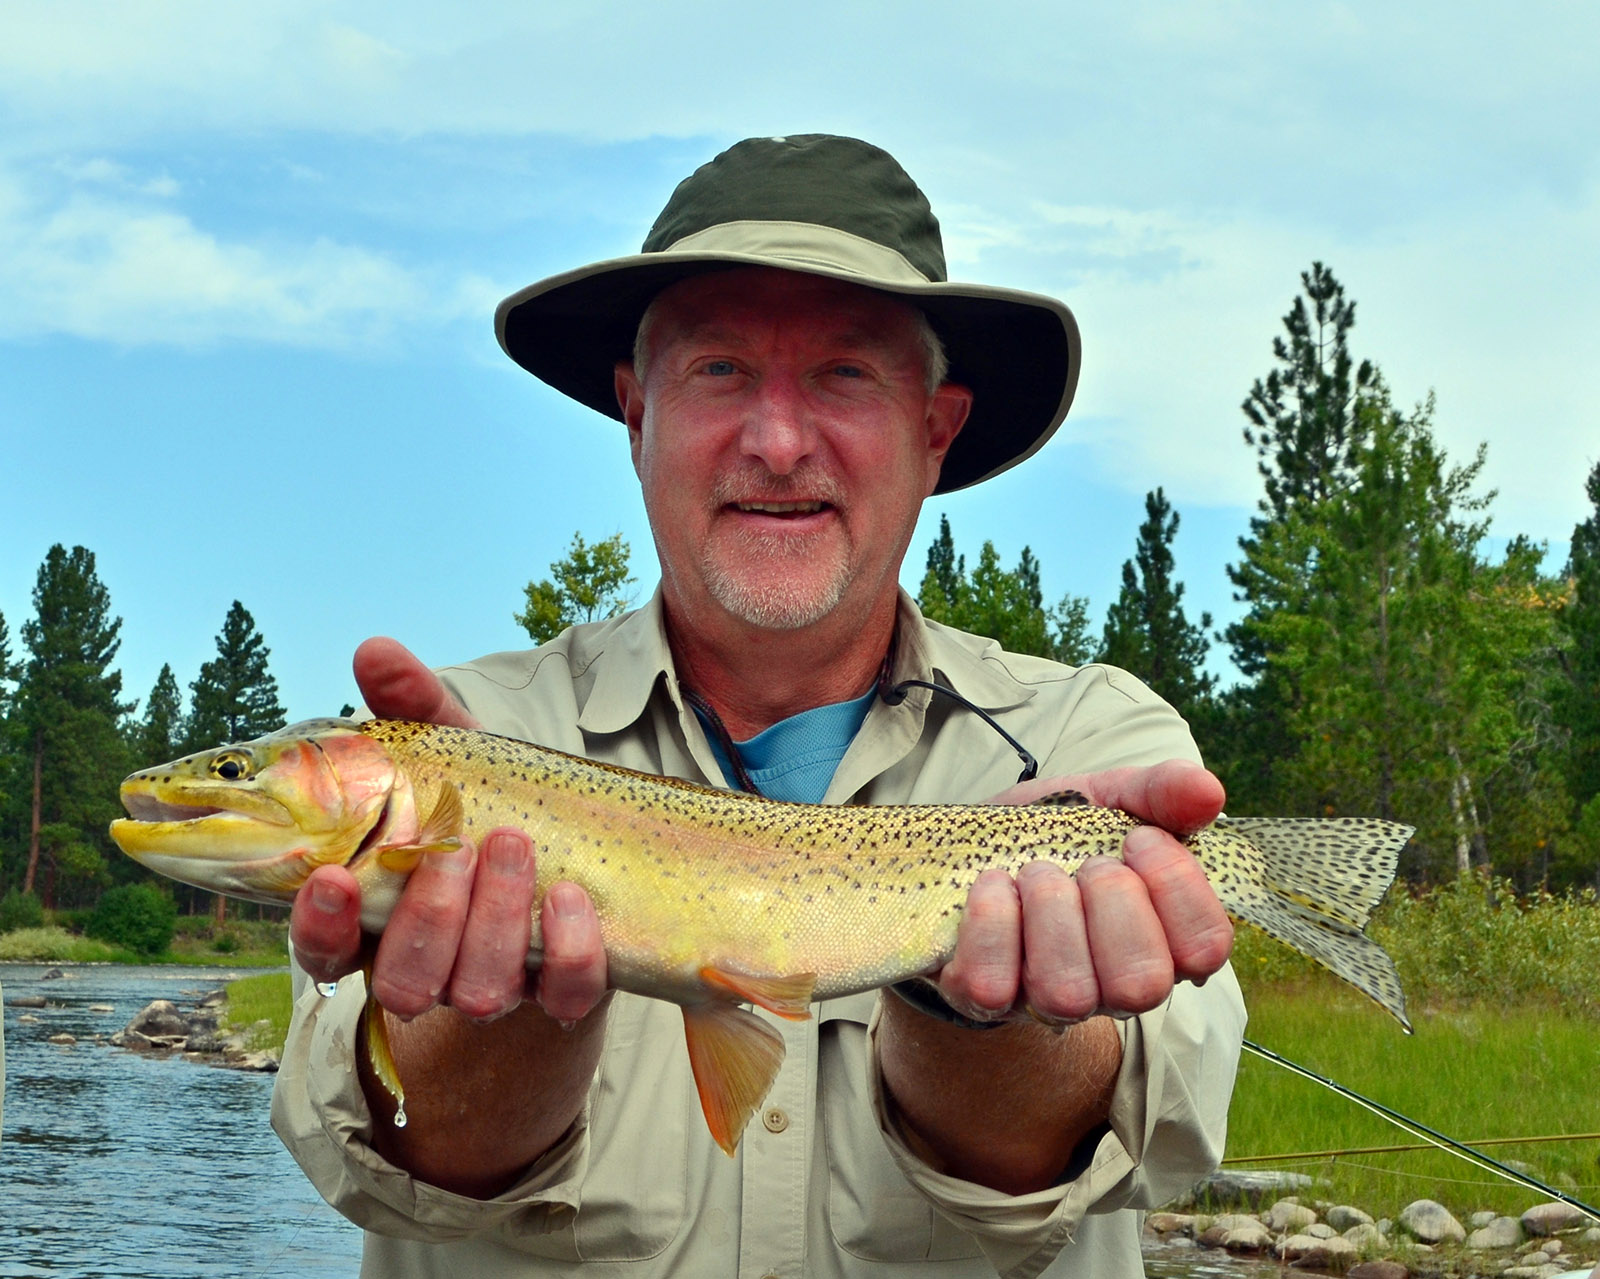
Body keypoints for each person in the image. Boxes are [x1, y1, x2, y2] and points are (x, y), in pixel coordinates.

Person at [272, 134, 1245, 1279]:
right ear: (636, 416)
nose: (777, 442)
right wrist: (520, 1001)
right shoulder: (456, 753)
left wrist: (982, 1016)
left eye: (844, 374)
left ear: (935, 432)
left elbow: (1146, 1138)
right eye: (719, 371)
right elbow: (393, 1164)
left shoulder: (1093, 742)